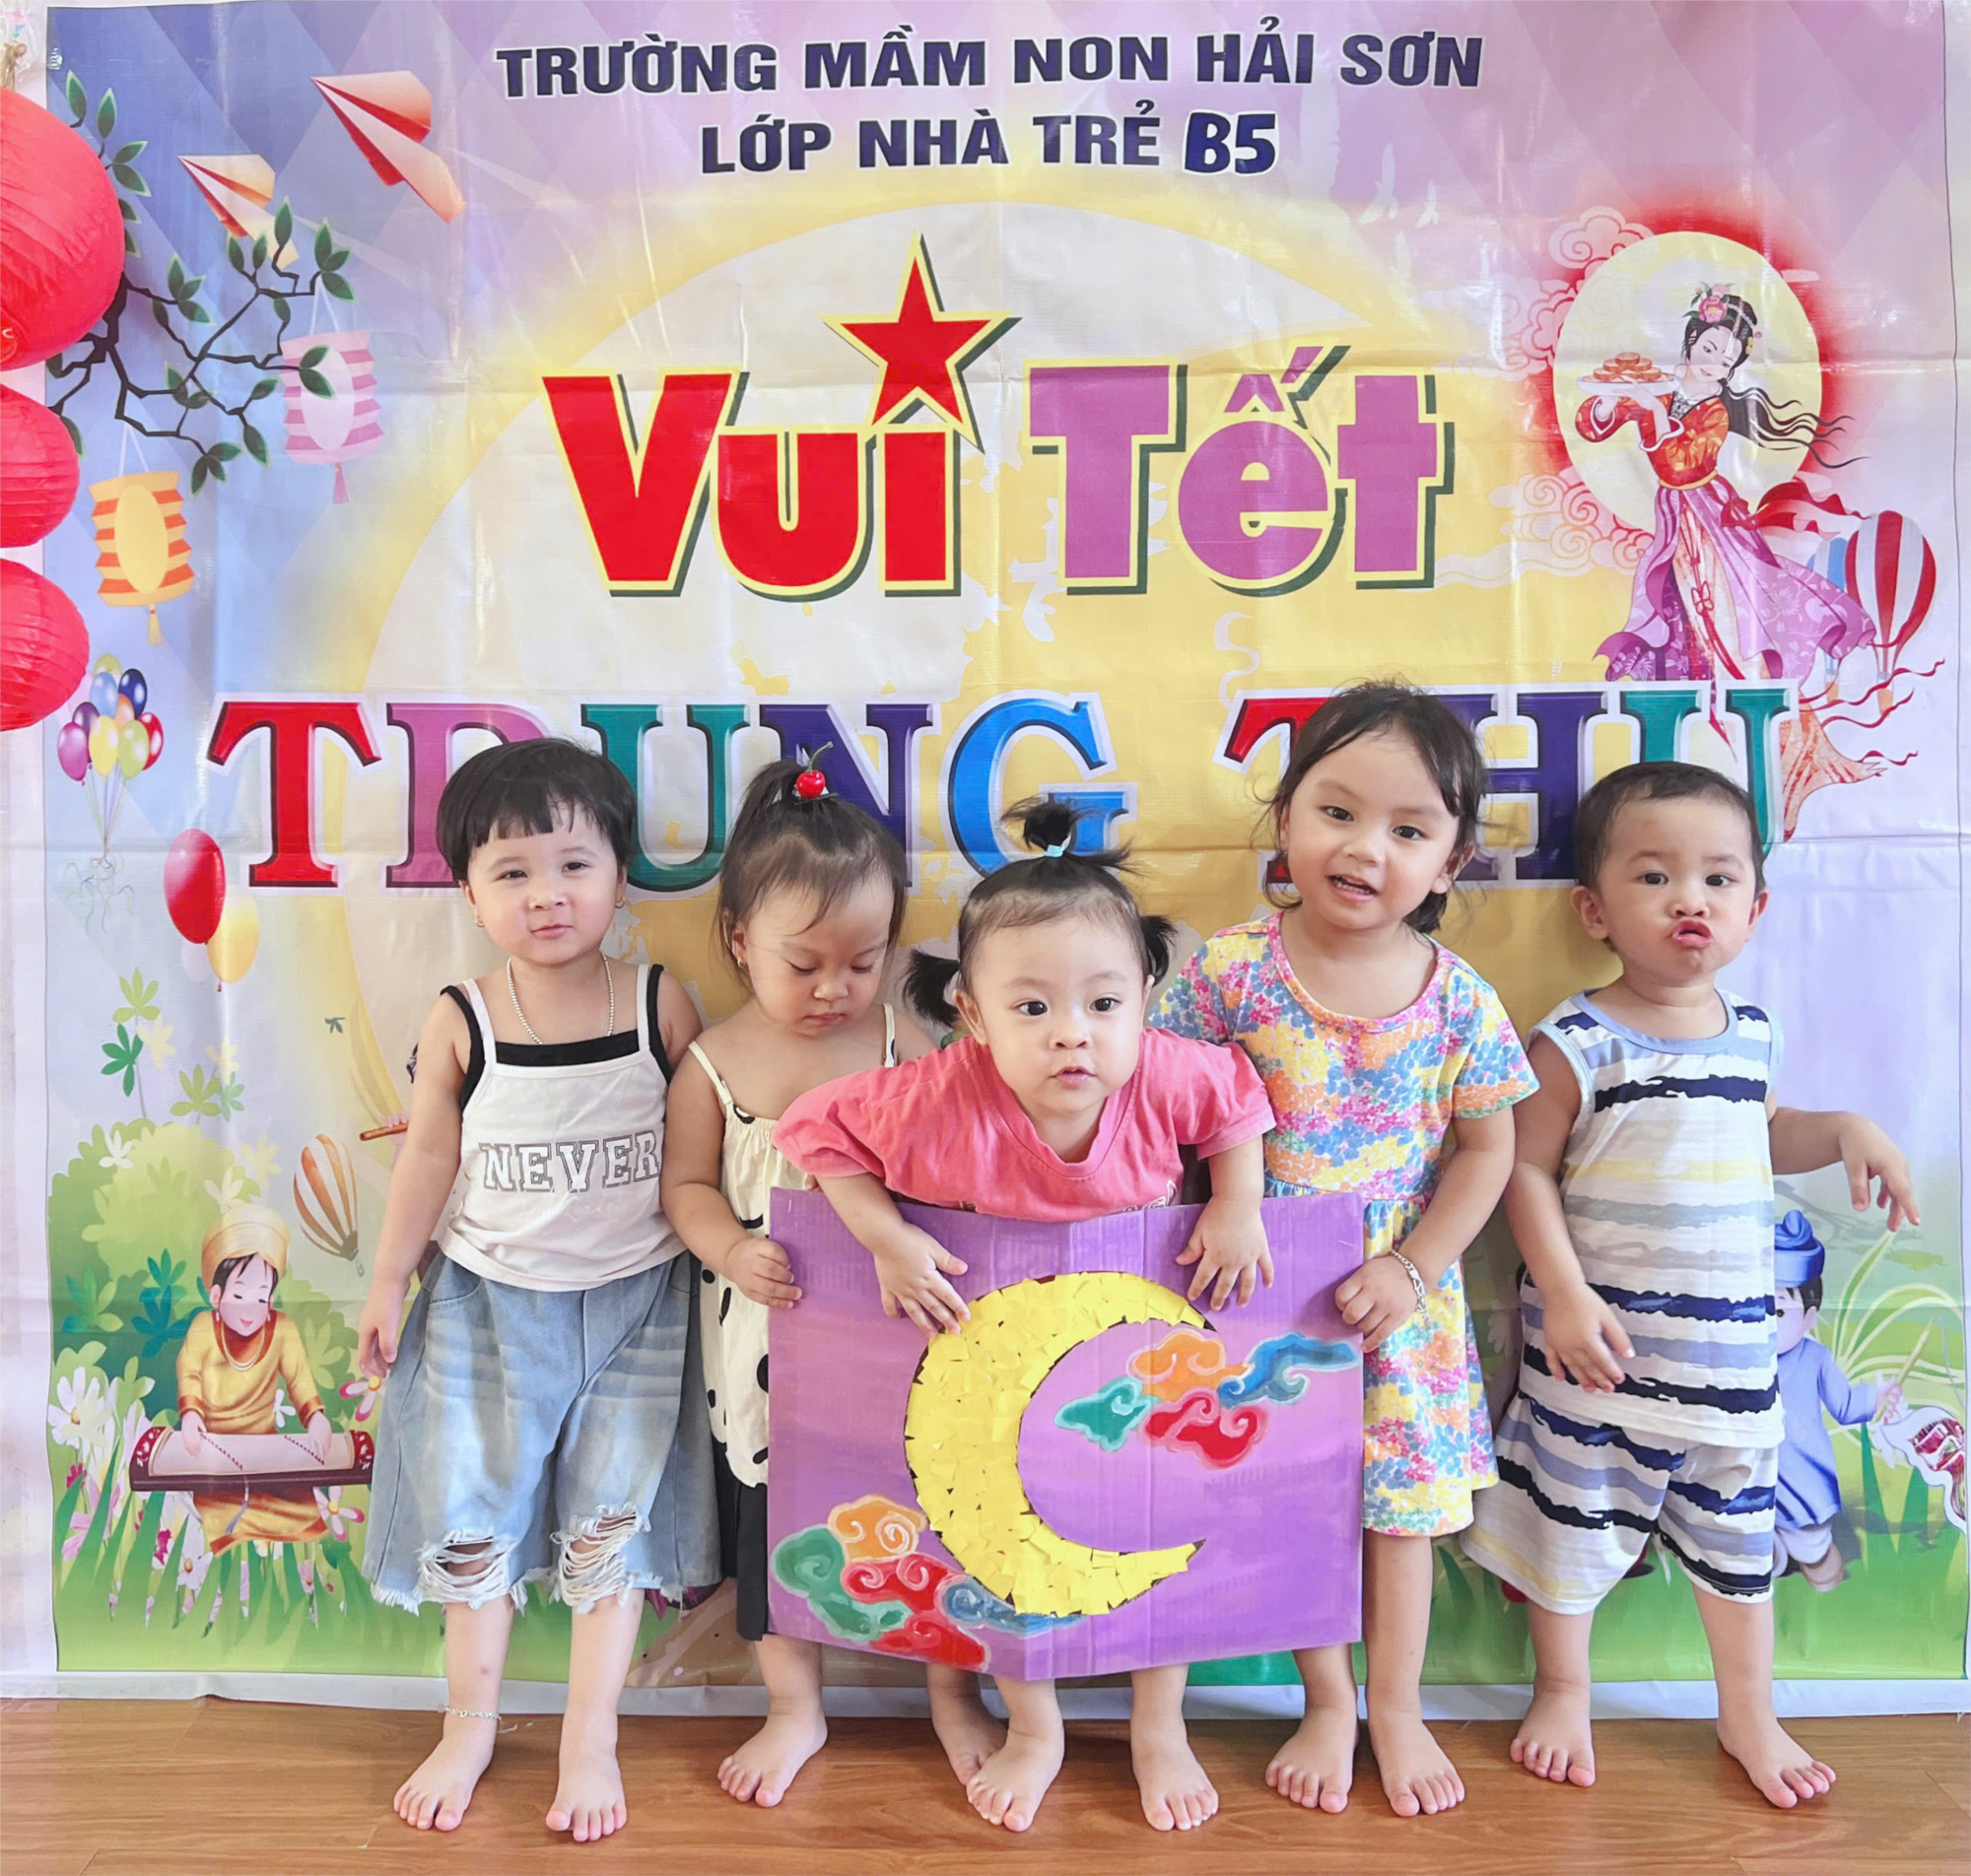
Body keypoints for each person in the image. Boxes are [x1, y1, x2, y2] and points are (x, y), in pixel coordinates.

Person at [777, 799, 1276, 1835]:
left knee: (1160, 1522)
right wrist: (884, 1235)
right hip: (1004, 1366)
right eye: (1034, 1006)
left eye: (1103, 1001)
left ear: (1145, 995)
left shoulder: (1165, 1069)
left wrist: (1236, 1204)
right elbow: (814, 1132)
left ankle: (1158, 1725)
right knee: (1004, 1540)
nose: (1071, 1033)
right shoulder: (937, 1095)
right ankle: (1034, 1725)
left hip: (1140, 1359)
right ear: (971, 1010)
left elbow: (1236, 1102)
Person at [1461, 761, 1918, 1805]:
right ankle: (1562, 1690)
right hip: (1596, 1364)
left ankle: (1748, 1712)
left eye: (1718, 878)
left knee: (1739, 1550)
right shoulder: (1575, 1040)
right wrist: (1563, 1292)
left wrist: (1846, 1128)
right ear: (1594, 909)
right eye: (1654, 876)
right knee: (1568, 1530)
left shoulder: (1752, 1036)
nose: (1688, 900)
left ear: (1756, 907)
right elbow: (1522, 1169)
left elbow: (1766, 1132)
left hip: (1730, 1373)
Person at [1153, 681, 1535, 1819]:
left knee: (1395, 1521)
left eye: (1407, 830)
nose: (1364, 848)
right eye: (1336, 811)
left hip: (1396, 1306)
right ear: (1284, 818)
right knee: (1292, 1507)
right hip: (1260, 1293)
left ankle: (1397, 1705)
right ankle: (1325, 1699)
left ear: (1451, 861)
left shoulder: (1458, 1002)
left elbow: (1487, 1151)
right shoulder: (1228, 973)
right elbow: (1167, 1112)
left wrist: (1413, 1267)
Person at [355, 738, 716, 1842]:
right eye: (511, 872)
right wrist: (387, 1280)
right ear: (469, 892)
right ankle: (468, 1726)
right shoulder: (462, 1014)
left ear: (620, 876)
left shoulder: (660, 1002)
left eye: (573, 864)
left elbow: (705, 1151)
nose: (546, 895)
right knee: (473, 1523)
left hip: (635, 1307)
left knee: (610, 1526)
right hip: (486, 1307)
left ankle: (588, 1735)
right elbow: (427, 1155)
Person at [659, 755, 992, 1808]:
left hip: (899, 1332)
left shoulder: (902, 1040)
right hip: (766, 1337)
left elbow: (958, 1163)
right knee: (775, 1520)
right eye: (802, 964)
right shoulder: (714, 1061)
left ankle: (953, 1693)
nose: (833, 989)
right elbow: (683, 1187)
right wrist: (726, 1247)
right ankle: (793, 1703)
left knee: (929, 1507)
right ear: (737, 941)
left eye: (861, 960)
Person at [1577, 287, 1870, 689]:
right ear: (1692, 341)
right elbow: (1595, 426)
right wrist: (1610, 402)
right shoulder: (1659, 387)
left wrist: (1653, 409)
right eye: (1709, 349)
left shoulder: (1715, 411)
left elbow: (1680, 466)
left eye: (1726, 360)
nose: (1713, 363)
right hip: (1673, 511)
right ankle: (1689, 677)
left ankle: (1736, 674)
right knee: (1672, 592)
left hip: (1709, 511)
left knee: (1723, 592)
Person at [176, 1204, 332, 1552]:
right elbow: (189, 1372)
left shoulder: (283, 1330)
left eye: (260, 1297)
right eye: (238, 1295)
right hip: (214, 1449)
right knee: (221, 1514)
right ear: (216, 1295)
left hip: (266, 1447)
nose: (250, 1309)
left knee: (302, 1514)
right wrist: (191, 1415)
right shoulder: (203, 1327)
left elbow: (300, 1380)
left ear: (271, 1299)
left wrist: (316, 1418)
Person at [1772, 1209, 1903, 1590]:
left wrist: (1877, 1397)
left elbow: (1845, 1405)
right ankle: (1771, 1561)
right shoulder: (1740, 1360)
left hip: (1801, 1474)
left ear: (1809, 1317)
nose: (1764, 1321)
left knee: (1811, 1546)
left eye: (1777, 1310)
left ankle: (1828, 1578)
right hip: (1748, 1477)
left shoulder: (1815, 1358)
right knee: (1741, 1536)